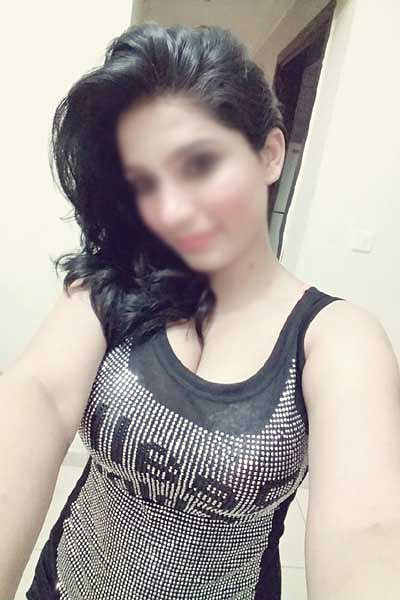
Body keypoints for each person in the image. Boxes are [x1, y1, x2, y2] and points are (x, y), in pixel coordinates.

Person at [2, 20, 399, 600]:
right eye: (145, 183)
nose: (171, 211)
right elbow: (34, 397)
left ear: (269, 155)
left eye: (199, 165)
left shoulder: (336, 339)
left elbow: (370, 534)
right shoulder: (114, 286)